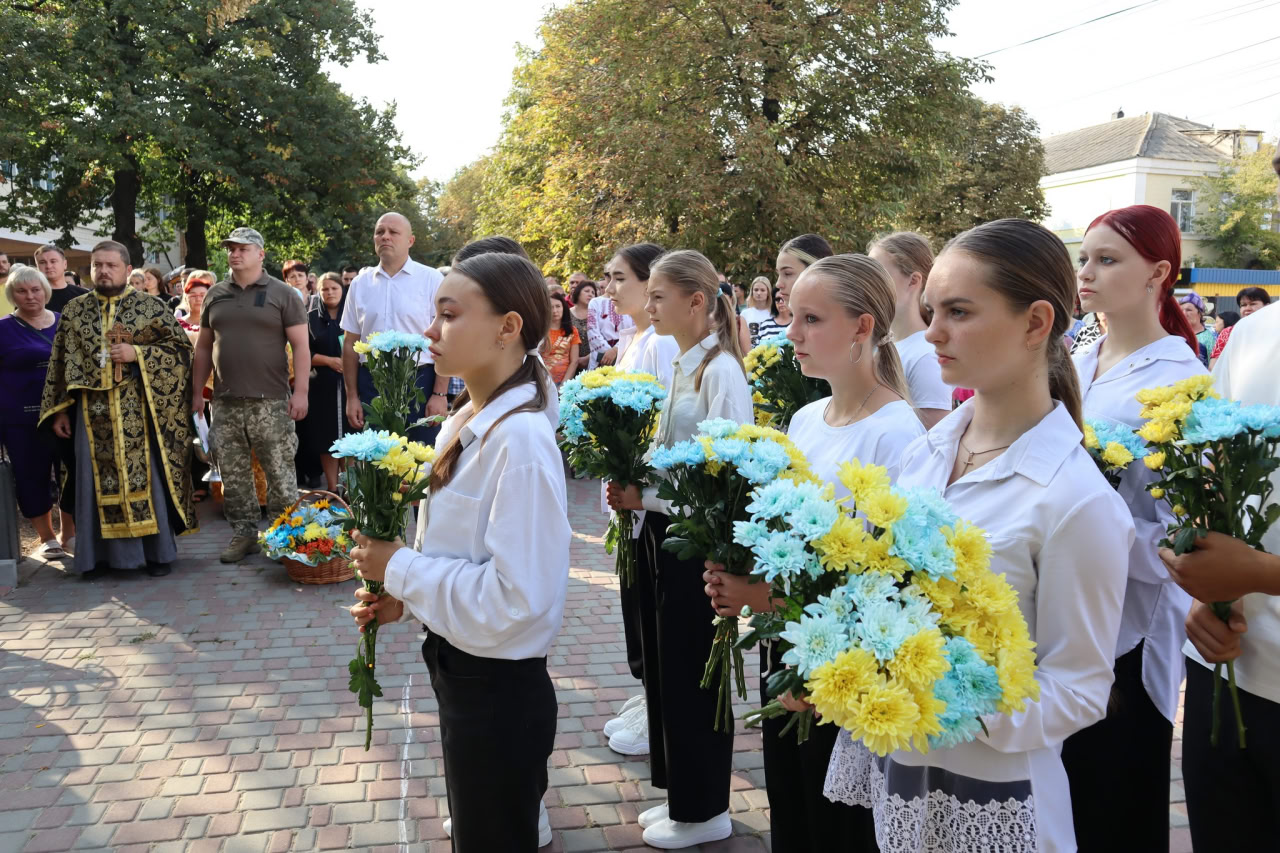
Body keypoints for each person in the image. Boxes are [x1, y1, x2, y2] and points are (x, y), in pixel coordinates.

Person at [823, 219, 1134, 853]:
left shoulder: (1075, 500)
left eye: (959, 312)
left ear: (1035, 322)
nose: (933, 331)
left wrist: (955, 696)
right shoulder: (927, 452)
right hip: (900, 772)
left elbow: (1081, 687)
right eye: (933, 310)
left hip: (997, 801)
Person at [347, 251, 569, 852]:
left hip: (496, 688)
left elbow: (516, 600)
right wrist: (405, 598)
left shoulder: (519, 440)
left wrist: (399, 567)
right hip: (467, 668)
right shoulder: (472, 419)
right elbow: (465, 554)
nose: (430, 330)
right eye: (434, 313)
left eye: (449, 314)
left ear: (508, 326)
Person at [707, 253, 924, 852]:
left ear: (862, 328)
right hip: (789, 646)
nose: (792, 334)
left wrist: (766, 597)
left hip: (844, 667)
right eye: (791, 315)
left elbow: (885, 580)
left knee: (835, 824)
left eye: (812, 319)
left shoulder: (897, 433)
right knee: (792, 809)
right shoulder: (806, 418)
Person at [1058, 204, 1204, 852]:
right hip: (1060, 610)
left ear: (1159, 273)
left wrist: (1102, 526)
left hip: (1131, 625)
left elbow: (1188, 533)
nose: (1086, 272)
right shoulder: (1078, 359)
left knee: (1116, 800)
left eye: (1107, 259)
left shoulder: (1182, 380)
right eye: (1084, 257)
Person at [605, 249, 751, 849]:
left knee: (694, 675)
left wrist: (650, 498)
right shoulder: (683, 363)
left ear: (698, 302)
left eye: (661, 295)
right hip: (667, 534)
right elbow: (671, 452)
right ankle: (681, 796)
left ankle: (704, 808)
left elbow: (726, 476)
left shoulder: (721, 371)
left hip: (697, 541)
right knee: (672, 671)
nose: (651, 304)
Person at [39, 240, 196, 579]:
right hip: (89, 416)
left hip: (140, 411)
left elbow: (180, 353)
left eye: (110, 265)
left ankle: (156, 555)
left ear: (127, 269)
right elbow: (60, 363)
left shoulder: (150, 307)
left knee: (147, 481)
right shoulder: (75, 310)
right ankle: (95, 559)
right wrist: (61, 411)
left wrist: (137, 354)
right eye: (97, 265)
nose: (103, 271)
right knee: (91, 483)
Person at [596, 243, 679, 758]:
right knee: (634, 600)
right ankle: (648, 690)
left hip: (646, 496)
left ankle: (659, 702)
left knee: (648, 604)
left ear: (650, 284)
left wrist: (639, 487)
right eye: (606, 277)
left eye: (619, 277)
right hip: (628, 493)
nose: (609, 288)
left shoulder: (659, 343)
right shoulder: (634, 339)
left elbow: (660, 423)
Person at [192, 227, 310, 564]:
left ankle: (283, 535)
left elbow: (301, 347)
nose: (235, 254)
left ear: (261, 253)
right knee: (232, 473)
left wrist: (300, 393)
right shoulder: (215, 294)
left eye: (243, 248)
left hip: (271, 401)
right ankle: (243, 533)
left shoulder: (283, 293)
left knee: (280, 473)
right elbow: (203, 347)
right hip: (225, 402)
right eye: (230, 248)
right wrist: (197, 392)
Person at [341, 212, 446, 444]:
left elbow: (443, 339)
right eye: (380, 232)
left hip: (420, 380)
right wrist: (352, 397)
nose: (385, 237)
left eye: (393, 232)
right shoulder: (360, 283)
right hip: (372, 381)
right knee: (377, 462)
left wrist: (439, 393)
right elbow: (350, 343)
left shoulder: (432, 279)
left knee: (419, 462)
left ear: (410, 240)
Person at [1, 265, 72, 558]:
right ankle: (47, 537)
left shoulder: (65, 322)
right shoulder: (3, 329)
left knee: (70, 474)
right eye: (22, 291)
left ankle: (70, 534)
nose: (30, 296)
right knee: (31, 476)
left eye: (36, 289)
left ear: (46, 290)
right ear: (12, 295)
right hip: (21, 419)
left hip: (67, 415)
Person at [868, 231, 953, 428]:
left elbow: (933, 443)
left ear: (913, 281)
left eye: (879, 275)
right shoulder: (879, 345)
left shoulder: (927, 355)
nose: (869, 284)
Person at [301, 273, 347, 493]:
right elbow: (301, 352)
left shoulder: (353, 315)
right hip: (321, 386)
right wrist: (329, 361)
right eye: (325, 289)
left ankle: (349, 488)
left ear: (342, 289)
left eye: (334, 288)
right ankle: (332, 489)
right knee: (326, 439)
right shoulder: (309, 318)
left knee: (350, 439)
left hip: (350, 386)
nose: (329, 293)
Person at [1210, 286, 1270, 366]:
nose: (1247, 308)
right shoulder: (1228, 333)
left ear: (1267, 306)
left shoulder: (1274, 331)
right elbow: (1214, 365)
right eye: (1243, 305)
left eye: (1253, 304)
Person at [585, 283, 631, 369]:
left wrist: (616, 350)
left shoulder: (631, 303)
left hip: (624, 355)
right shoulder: (595, 302)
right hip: (600, 357)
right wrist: (608, 353)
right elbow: (592, 331)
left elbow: (634, 330)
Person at [34, 244, 88, 313]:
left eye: (53, 261)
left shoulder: (83, 295)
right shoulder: (31, 297)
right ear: (37, 266)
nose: (48, 266)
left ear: (65, 264)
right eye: (42, 262)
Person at [542, 289, 580, 386]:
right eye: (551, 307)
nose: (555, 311)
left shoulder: (572, 331)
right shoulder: (540, 331)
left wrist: (563, 385)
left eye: (558, 306)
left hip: (565, 382)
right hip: (543, 381)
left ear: (564, 307)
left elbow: (574, 361)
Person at [1178, 292, 1215, 365]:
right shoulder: (1176, 335)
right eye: (1181, 310)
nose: (1184, 314)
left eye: (1189, 310)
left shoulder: (1210, 338)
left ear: (1200, 313)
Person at [738, 276, 774, 348]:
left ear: (768, 292)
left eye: (762, 290)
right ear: (752, 292)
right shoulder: (745, 314)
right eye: (756, 290)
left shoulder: (774, 314)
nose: (759, 293)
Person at [568, 279, 594, 372]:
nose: (590, 294)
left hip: (594, 363)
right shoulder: (566, 314)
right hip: (569, 365)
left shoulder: (597, 315)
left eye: (593, 292)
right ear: (578, 293)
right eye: (586, 291)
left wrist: (588, 358)